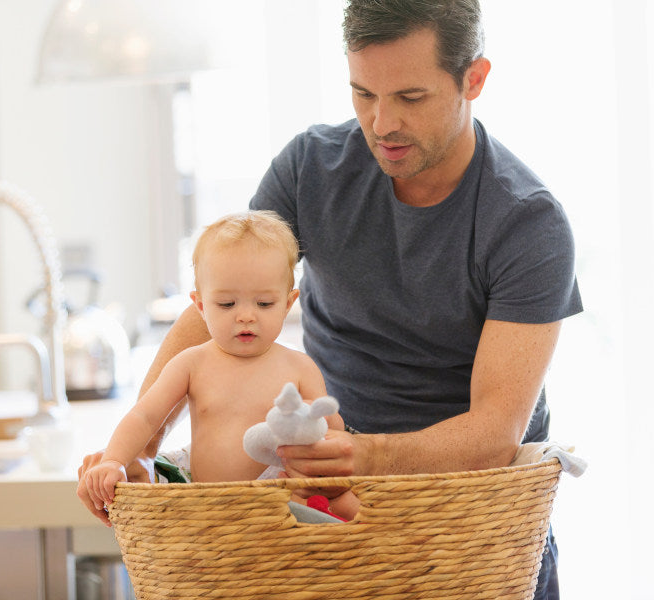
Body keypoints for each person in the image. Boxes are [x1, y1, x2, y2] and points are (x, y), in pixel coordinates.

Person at [79, 1, 581, 597]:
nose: (381, 123)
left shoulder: (527, 222)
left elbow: (496, 431)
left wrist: (365, 456)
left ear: (474, 78)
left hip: (471, 522)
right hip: (321, 513)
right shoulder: (310, 168)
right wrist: (140, 454)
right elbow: (216, 302)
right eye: (362, 93)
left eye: (410, 98)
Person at [80, 210, 359, 523]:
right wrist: (115, 459)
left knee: (347, 501)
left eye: (264, 303)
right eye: (227, 304)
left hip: (282, 504)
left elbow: (332, 431)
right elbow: (145, 416)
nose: (245, 316)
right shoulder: (191, 363)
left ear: (288, 303)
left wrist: (310, 417)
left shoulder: (299, 367)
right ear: (200, 305)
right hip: (211, 508)